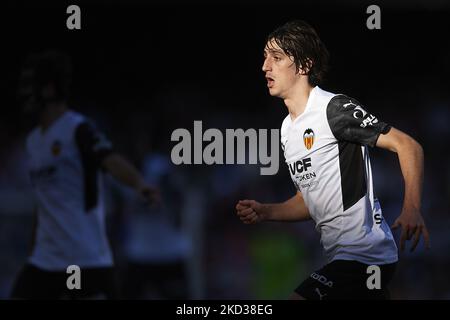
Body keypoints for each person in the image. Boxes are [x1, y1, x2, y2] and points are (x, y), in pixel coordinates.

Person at [235, 20, 430, 300]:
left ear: (303, 66)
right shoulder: (287, 129)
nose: (265, 66)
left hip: (364, 255)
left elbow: (408, 146)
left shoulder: (334, 108)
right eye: (265, 57)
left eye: (276, 58)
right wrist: (266, 211)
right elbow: (308, 200)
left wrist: (411, 208)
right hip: (343, 258)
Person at [11, 50, 159, 299]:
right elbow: (44, 201)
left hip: (83, 256)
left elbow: (110, 160)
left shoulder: (77, 128)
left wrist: (139, 183)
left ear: (48, 89)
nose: (25, 94)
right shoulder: (34, 142)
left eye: (30, 85)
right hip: (45, 260)